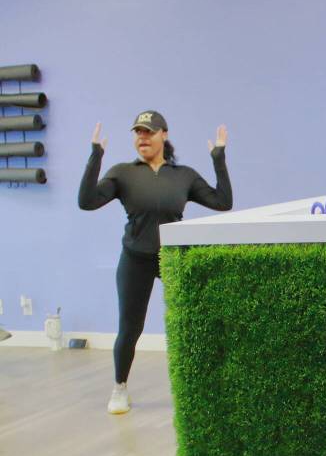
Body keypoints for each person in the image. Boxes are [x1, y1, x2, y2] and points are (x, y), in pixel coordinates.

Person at [78, 111, 232, 414]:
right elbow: (87, 202)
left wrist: (218, 158)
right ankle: (119, 387)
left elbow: (223, 202)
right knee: (129, 328)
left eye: (148, 132)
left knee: (191, 323)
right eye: (138, 133)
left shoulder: (183, 175)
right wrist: (95, 156)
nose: (142, 138)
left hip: (172, 258)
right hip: (135, 259)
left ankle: (199, 388)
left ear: (164, 134)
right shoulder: (124, 173)